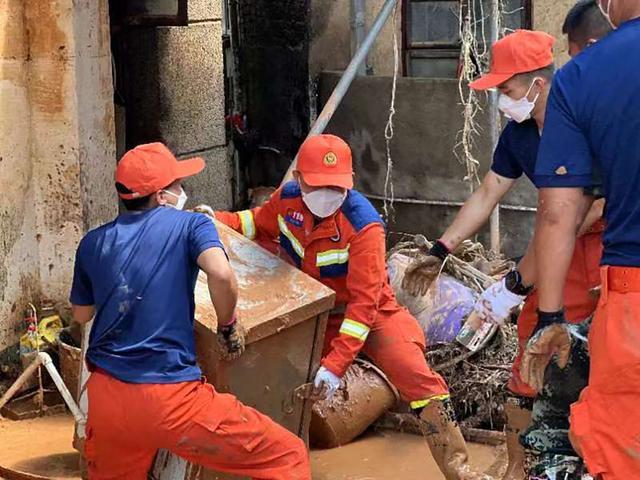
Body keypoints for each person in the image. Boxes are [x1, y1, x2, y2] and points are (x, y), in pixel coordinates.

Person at [403, 22, 609, 480]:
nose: (501, 99)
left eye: (508, 87)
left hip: (603, 244)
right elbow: (487, 192)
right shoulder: (519, 135)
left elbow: (582, 214)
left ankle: (593, 456)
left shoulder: (584, 122)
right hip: (557, 240)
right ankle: (516, 468)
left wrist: (515, 282)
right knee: (534, 338)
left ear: (539, 82)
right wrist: (441, 248)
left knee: (597, 349)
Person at [215, 134, 485, 480]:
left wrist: (335, 365)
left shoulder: (364, 225)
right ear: (299, 179)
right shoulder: (288, 201)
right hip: (315, 311)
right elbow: (255, 222)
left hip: (372, 315)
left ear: (349, 184)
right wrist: (212, 219)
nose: (329, 196)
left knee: (415, 376)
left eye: (337, 188)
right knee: (276, 376)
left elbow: (364, 305)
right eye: (319, 186)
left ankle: (459, 471)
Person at [70, 142, 310, 480]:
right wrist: (228, 325)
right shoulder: (190, 226)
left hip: (108, 398)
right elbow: (222, 273)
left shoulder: (92, 243)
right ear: (161, 196)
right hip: (171, 400)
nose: (183, 191)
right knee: (288, 454)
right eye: (178, 185)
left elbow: (81, 316)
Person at [522, 0, 640, 478]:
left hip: (632, 289)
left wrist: (551, 318)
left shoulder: (584, 75)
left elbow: (557, 214)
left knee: (622, 445)